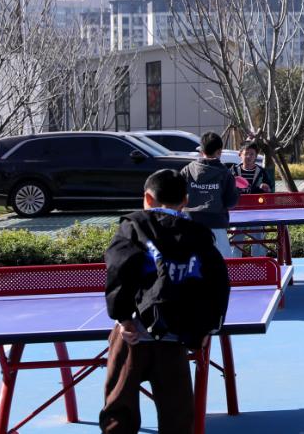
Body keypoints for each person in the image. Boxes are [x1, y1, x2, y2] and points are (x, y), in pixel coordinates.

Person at [101, 169, 229, 434]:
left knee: (119, 406)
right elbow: (217, 283)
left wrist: (123, 318)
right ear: (185, 201)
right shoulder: (199, 234)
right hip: (175, 336)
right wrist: (207, 327)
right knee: (177, 414)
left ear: (147, 198)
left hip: (132, 334)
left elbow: (118, 270)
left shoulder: (133, 226)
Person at [180, 132, 240, 257]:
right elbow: (231, 202)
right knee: (223, 263)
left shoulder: (187, 170)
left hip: (190, 223)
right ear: (219, 152)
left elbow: (177, 195)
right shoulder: (225, 173)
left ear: (201, 151)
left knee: (193, 262)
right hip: (216, 223)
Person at [229, 140, 271, 257]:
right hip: (237, 212)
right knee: (236, 239)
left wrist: (267, 188)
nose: (248, 156)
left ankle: (259, 263)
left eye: (252, 154)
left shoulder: (261, 172)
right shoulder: (233, 171)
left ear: (256, 156)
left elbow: (269, 191)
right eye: (246, 153)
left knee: (258, 239)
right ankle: (234, 263)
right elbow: (227, 189)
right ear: (240, 154)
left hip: (257, 212)